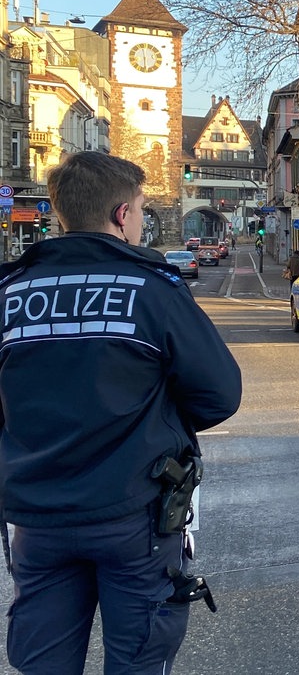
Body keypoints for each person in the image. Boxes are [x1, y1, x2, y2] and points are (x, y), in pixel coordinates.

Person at [0, 150, 242, 673]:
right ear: (121, 215)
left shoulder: (10, 291)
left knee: (42, 662)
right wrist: (153, 421)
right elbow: (220, 393)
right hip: (133, 512)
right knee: (138, 659)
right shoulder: (152, 290)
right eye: (137, 208)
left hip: (37, 515)